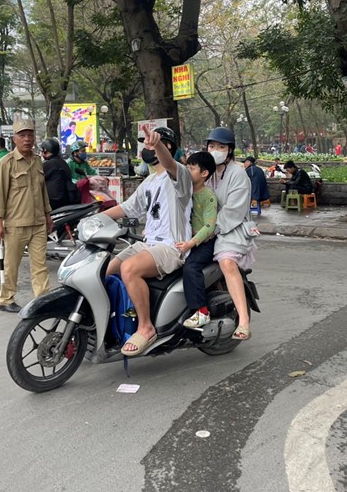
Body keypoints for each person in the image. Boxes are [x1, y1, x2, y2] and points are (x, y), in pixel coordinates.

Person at [103, 127, 193, 356]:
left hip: (172, 246)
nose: (145, 148)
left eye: (149, 144)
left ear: (167, 146)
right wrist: (95, 218)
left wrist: (159, 145)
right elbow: (128, 207)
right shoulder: (150, 181)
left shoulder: (179, 176)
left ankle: (146, 327)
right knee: (106, 270)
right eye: (144, 144)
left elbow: (169, 163)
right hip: (149, 243)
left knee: (129, 269)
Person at [0, 118, 54, 313]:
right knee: (11, 265)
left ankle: (42, 301)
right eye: (22, 135)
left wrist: (47, 214)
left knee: (40, 265)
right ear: (14, 139)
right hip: (16, 224)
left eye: (30, 135)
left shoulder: (37, 161)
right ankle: (5, 298)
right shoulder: (6, 163)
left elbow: (43, 191)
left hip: (38, 223)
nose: (27, 139)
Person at [204, 127, 256, 341]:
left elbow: (233, 212)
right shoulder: (205, 171)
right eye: (212, 146)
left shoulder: (238, 174)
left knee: (227, 263)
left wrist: (210, 230)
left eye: (221, 147)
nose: (216, 150)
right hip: (206, 229)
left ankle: (243, 320)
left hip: (231, 230)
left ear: (230, 151)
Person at [163, 150, 218, 329]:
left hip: (204, 243)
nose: (186, 171)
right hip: (186, 240)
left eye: (191, 168)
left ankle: (202, 311)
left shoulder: (208, 196)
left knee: (191, 267)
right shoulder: (183, 191)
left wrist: (191, 243)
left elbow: (209, 226)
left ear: (204, 174)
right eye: (186, 167)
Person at [40, 137, 75, 210]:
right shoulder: (63, 163)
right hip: (66, 201)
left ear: (45, 151)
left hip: (53, 203)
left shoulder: (48, 164)